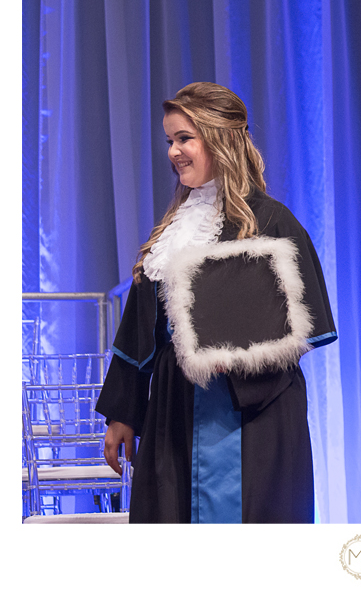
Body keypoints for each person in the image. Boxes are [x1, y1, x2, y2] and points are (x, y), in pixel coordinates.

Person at [96, 82, 336, 523]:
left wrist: (241, 354)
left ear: (220, 138)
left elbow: (308, 325)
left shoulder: (270, 220)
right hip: (175, 405)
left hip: (251, 410)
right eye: (170, 140)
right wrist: (123, 412)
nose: (173, 151)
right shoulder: (172, 229)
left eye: (185, 138)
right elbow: (139, 328)